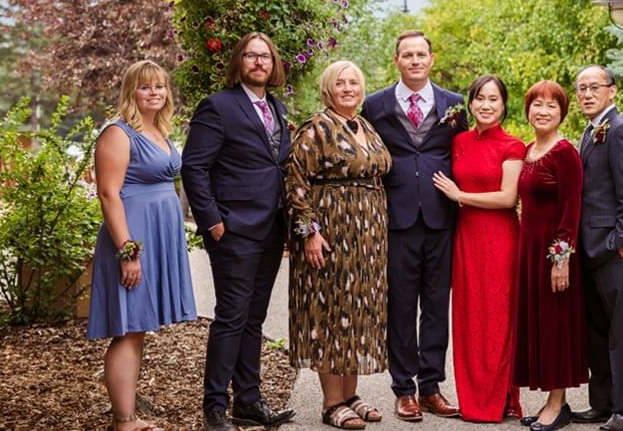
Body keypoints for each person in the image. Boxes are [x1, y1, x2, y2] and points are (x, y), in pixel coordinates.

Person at [181, 32, 295, 431]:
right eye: (251, 55)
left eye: (265, 56)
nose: (259, 62)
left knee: (254, 319)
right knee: (231, 317)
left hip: (271, 231)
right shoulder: (217, 107)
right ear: (238, 61)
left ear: (274, 64)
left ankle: (248, 401)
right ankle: (214, 406)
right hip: (232, 230)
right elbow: (194, 167)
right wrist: (212, 220)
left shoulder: (278, 108)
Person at [361, 30, 467, 422]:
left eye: (421, 54)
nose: (415, 60)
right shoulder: (375, 105)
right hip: (398, 218)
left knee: (437, 307)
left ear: (432, 59)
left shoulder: (454, 104)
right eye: (408, 55)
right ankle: (403, 389)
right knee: (401, 307)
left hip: (442, 218)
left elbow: (463, 151)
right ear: (397, 62)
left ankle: (432, 387)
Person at [87, 59, 197, 431]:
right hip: (132, 238)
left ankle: (129, 415)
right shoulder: (118, 132)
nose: (154, 92)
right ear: (131, 91)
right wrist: (128, 252)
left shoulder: (159, 131)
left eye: (160, 86)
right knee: (129, 328)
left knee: (138, 328)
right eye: (145, 86)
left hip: (159, 234)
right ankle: (123, 421)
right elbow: (108, 194)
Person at [286, 60, 392, 430]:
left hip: (367, 237)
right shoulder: (315, 128)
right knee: (329, 310)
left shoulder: (365, 126)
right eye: (340, 83)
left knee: (357, 310)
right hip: (331, 232)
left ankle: (350, 394)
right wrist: (310, 231)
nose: (348, 89)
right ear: (328, 90)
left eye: (354, 83)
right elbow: (296, 184)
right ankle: (331, 403)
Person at [432, 75, 526, 423]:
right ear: (470, 103)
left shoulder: (513, 146)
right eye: (480, 99)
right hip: (467, 239)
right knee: (469, 317)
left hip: (500, 239)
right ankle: (472, 400)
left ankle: (498, 398)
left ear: (503, 105)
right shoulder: (458, 141)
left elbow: (508, 198)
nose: (486, 105)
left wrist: (460, 196)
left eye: (494, 99)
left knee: (498, 318)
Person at [569, 65, 623, 431]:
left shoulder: (619, 129)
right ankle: (602, 403)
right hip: (588, 248)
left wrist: (622, 244)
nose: (586, 94)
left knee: (621, 331)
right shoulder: (590, 131)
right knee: (597, 330)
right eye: (581, 88)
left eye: (594, 87)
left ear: (612, 91)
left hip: (611, 249)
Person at [514, 80, 588, 431]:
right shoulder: (529, 149)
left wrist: (561, 259)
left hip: (554, 254)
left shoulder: (565, 154)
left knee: (556, 327)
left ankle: (558, 405)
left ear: (562, 113)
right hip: (528, 251)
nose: (543, 111)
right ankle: (548, 400)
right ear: (527, 110)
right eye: (537, 104)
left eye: (551, 106)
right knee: (540, 325)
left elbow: (571, 210)